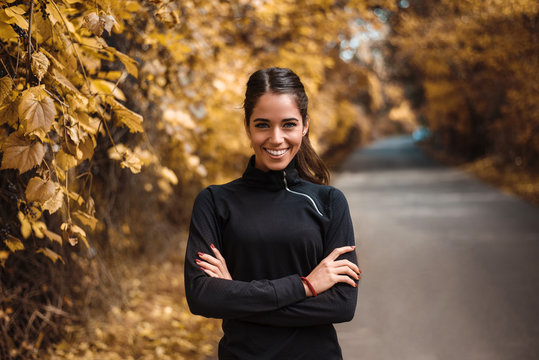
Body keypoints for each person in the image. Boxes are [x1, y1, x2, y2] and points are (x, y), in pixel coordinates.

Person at [184, 67, 360, 359]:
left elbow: (341, 305)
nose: (276, 139)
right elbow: (202, 297)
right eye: (263, 125)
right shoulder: (214, 202)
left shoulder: (329, 201)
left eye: (288, 124)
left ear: (304, 125)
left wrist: (235, 296)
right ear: (247, 126)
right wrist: (307, 285)